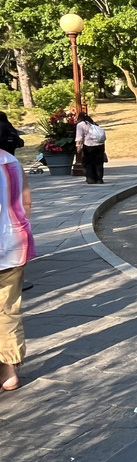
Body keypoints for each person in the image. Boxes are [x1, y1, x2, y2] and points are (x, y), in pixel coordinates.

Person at [1, 149, 33, 391]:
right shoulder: (9, 160)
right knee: (8, 310)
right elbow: (26, 202)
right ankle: (9, 372)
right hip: (13, 245)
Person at [74, 112, 107, 184]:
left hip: (89, 145)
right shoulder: (93, 123)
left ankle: (91, 179)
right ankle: (99, 179)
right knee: (99, 163)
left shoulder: (80, 125)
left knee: (88, 162)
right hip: (100, 145)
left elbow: (79, 137)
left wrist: (78, 147)